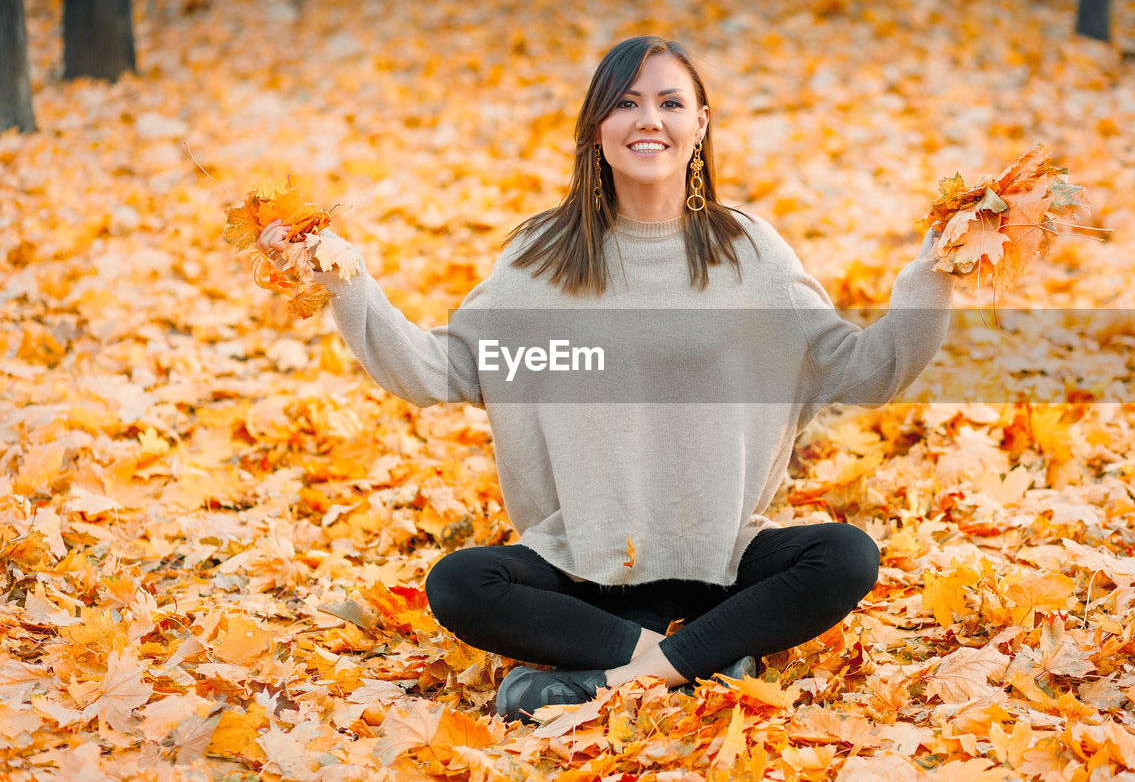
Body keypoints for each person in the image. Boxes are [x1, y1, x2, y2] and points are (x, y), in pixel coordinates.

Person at [257, 36, 955, 722]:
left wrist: (934, 275)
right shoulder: (540, 259)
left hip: (718, 560)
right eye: (625, 102)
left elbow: (867, 369)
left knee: (846, 555)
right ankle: (698, 662)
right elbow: (431, 369)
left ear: (700, 123)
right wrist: (341, 277)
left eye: (669, 102)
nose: (648, 119)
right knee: (460, 582)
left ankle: (616, 676)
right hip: (581, 570)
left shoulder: (752, 254)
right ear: (598, 127)